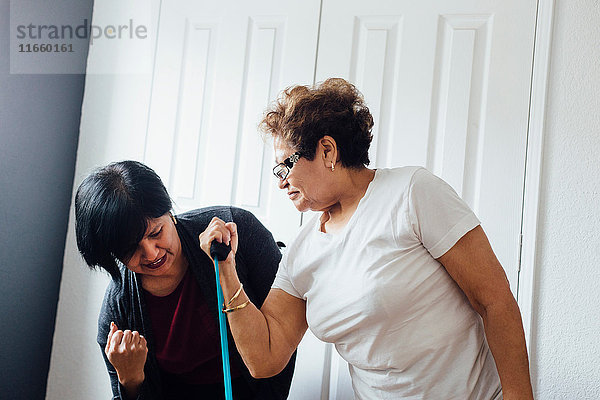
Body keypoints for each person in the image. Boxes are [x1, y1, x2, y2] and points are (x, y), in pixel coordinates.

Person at [199, 78, 534, 399]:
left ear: (327, 150)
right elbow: (264, 359)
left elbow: (494, 301)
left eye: (285, 165)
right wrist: (226, 271)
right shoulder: (302, 251)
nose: (281, 181)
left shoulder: (411, 193)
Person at [74, 160, 295, 400]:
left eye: (156, 233)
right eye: (130, 250)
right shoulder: (118, 314)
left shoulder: (237, 228)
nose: (151, 253)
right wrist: (130, 379)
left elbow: (281, 337)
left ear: (170, 212)